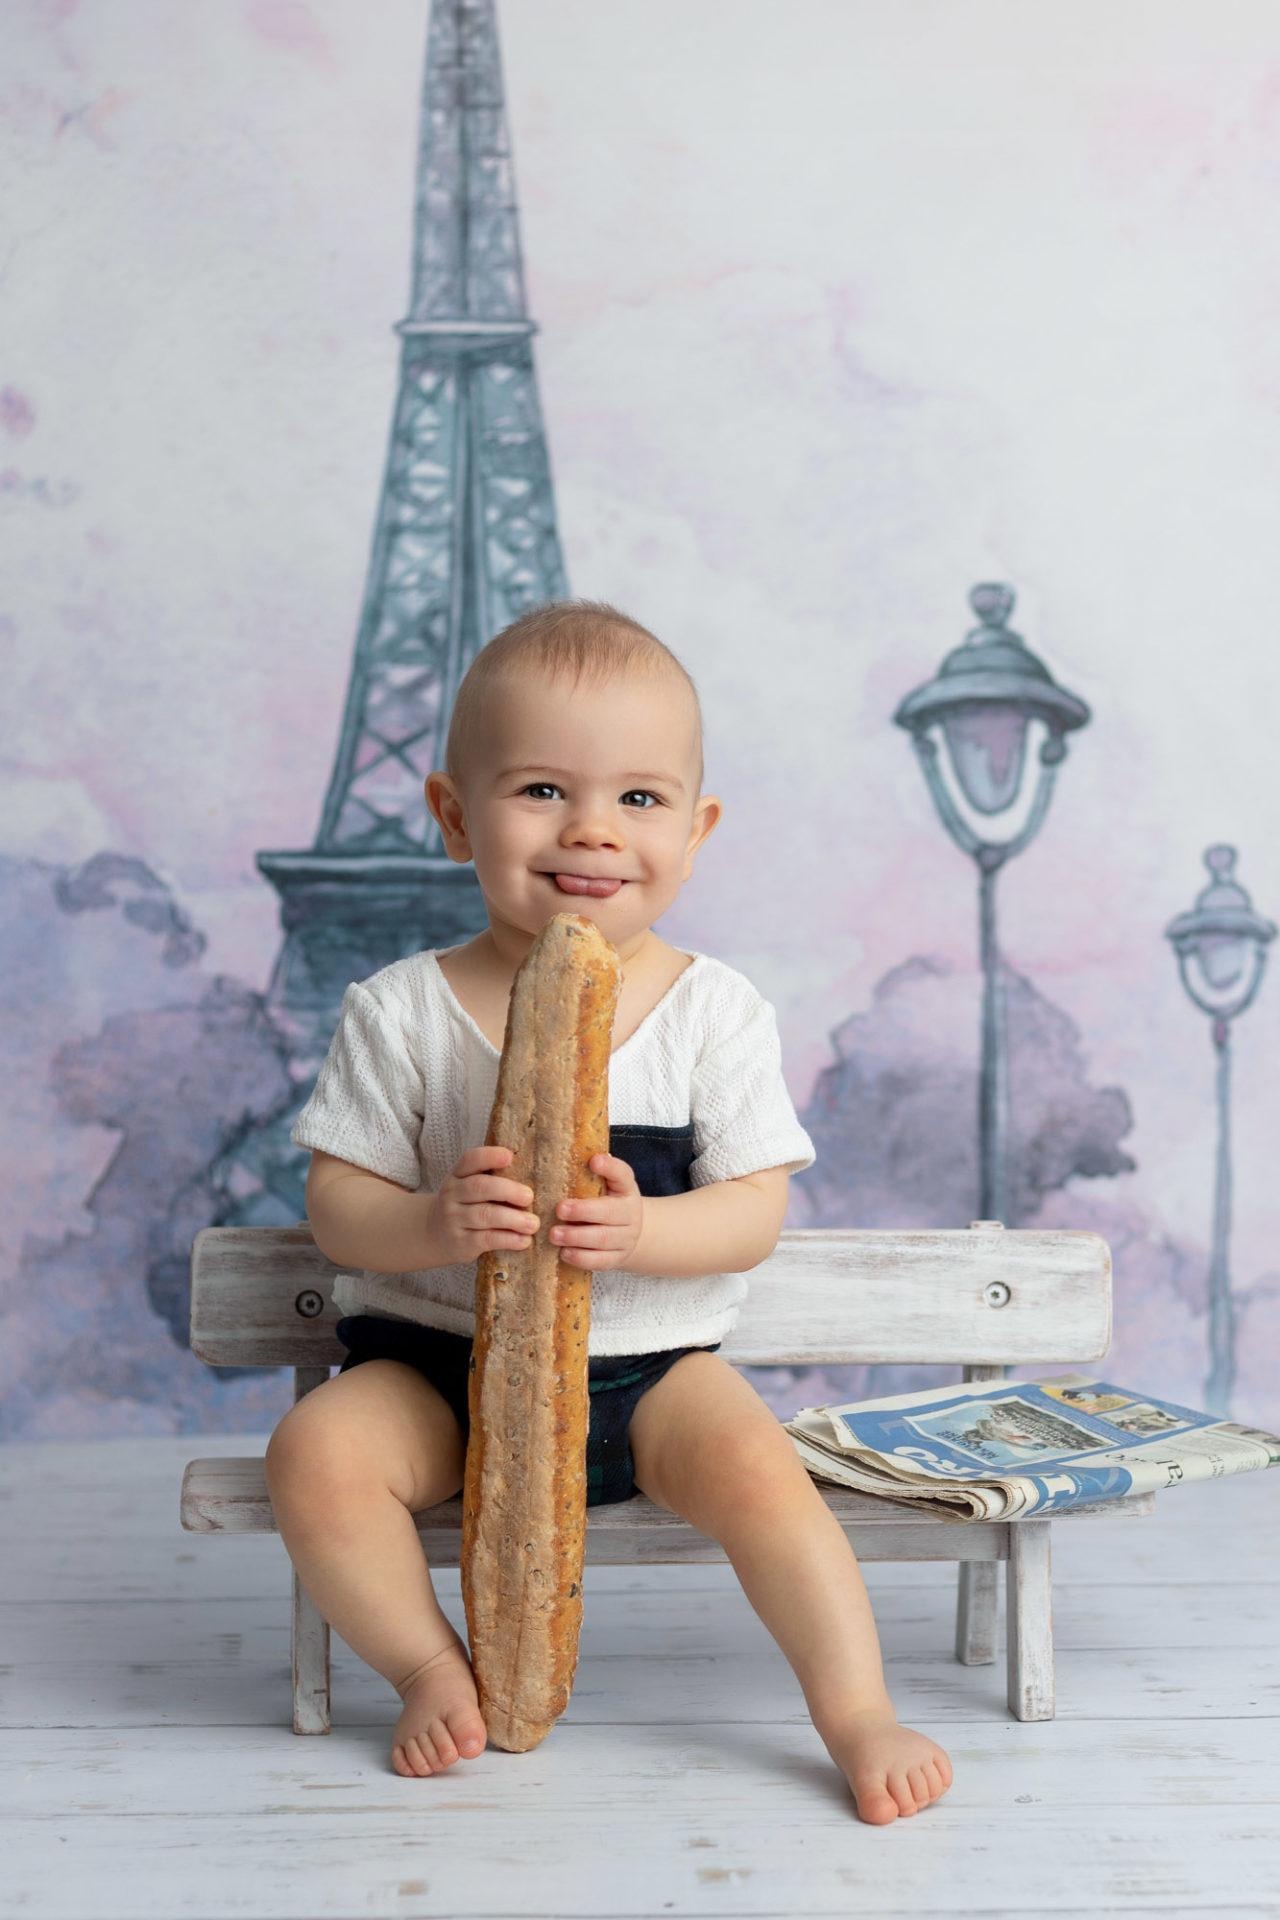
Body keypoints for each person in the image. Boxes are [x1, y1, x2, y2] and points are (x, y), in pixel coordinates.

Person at [264, 599, 953, 1823]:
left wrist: (646, 1233)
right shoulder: (403, 1009)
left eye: (639, 799)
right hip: (440, 1371)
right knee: (314, 1457)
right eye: (539, 788)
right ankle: (430, 1668)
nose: (590, 828)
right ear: (452, 813)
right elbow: (337, 1204)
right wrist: (429, 1221)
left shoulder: (712, 1010)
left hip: (646, 1375)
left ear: (696, 831)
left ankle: (855, 1708)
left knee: (763, 1473)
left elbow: (749, 1212)